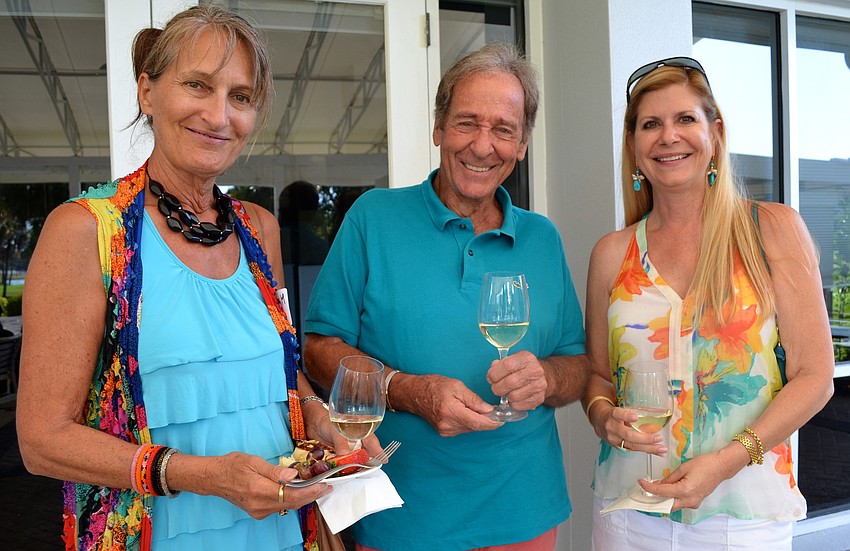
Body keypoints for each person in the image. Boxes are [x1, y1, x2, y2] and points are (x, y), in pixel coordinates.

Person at [16, 6, 378, 551]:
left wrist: (319, 416)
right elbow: (42, 441)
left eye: (241, 96)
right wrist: (203, 476)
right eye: (197, 85)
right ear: (147, 93)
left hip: (278, 529)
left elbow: (277, 379)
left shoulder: (259, 229)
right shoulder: (86, 231)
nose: (219, 115)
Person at [302, 43, 588, 551]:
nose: (483, 146)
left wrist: (546, 379)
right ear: (438, 128)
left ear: (523, 143)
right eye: (466, 123)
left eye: (504, 129)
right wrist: (410, 390)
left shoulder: (542, 239)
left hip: (524, 512)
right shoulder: (373, 218)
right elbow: (320, 350)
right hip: (398, 515)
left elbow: (578, 367)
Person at [581, 57, 835, 550]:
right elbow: (597, 377)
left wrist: (726, 462)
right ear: (633, 147)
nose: (668, 136)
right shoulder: (612, 253)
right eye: (650, 124)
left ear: (714, 133)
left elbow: (815, 378)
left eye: (685, 120)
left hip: (741, 520)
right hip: (629, 515)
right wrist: (601, 415)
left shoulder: (772, 230)